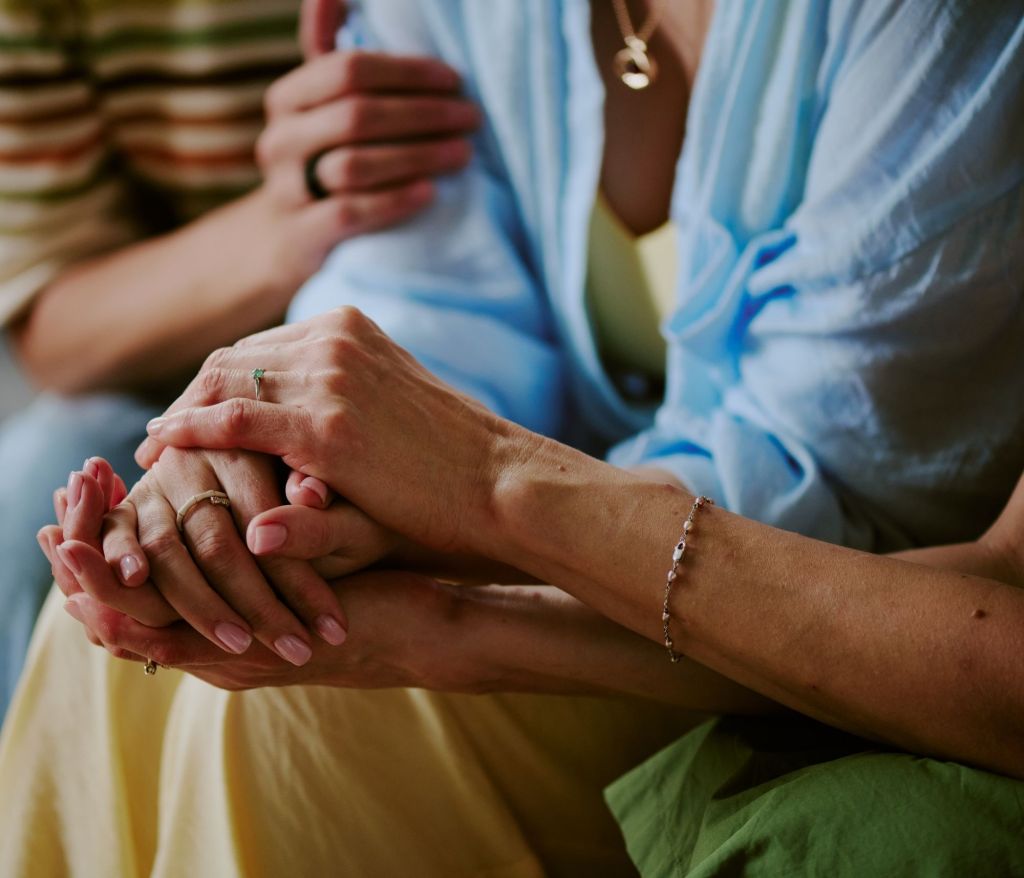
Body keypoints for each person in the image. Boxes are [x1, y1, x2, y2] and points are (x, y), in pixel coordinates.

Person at [3, 0, 1024, 874]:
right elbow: (412, 304)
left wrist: (454, 509)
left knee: (287, 702)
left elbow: (842, 485)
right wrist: (282, 479)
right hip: (568, 524)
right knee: (146, 626)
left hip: (807, 591)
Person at [0, 0, 478, 711]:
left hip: (439, 312)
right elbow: (50, 326)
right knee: (38, 487)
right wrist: (282, 229)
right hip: (183, 354)